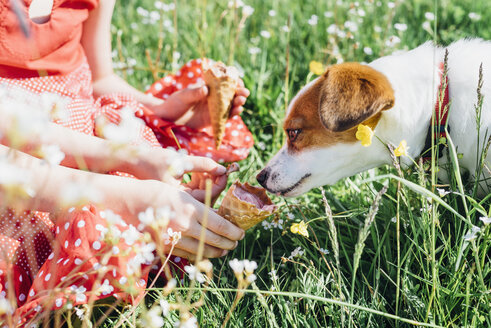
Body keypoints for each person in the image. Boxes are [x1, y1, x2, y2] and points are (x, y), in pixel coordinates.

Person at [0, 0, 254, 321]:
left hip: (76, 126)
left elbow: (98, 79)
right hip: (19, 166)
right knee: (36, 237)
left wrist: (161, 112)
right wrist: (123, 196)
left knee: (150, 180)